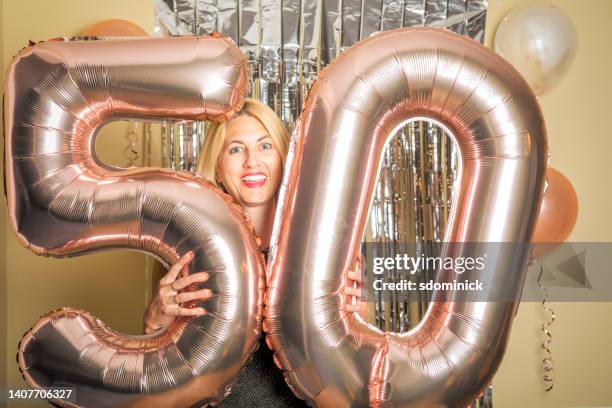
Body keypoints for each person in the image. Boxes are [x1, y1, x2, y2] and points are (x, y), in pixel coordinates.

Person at [143, 98, 366, 406]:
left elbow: (354, 359)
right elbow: (162, 372)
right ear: (219, 165)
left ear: (284, 157)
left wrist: (357, 313)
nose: (251, 162)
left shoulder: (327, 242)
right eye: (235, 149)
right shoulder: (187, 250)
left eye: (265, 146)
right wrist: (155, 320)